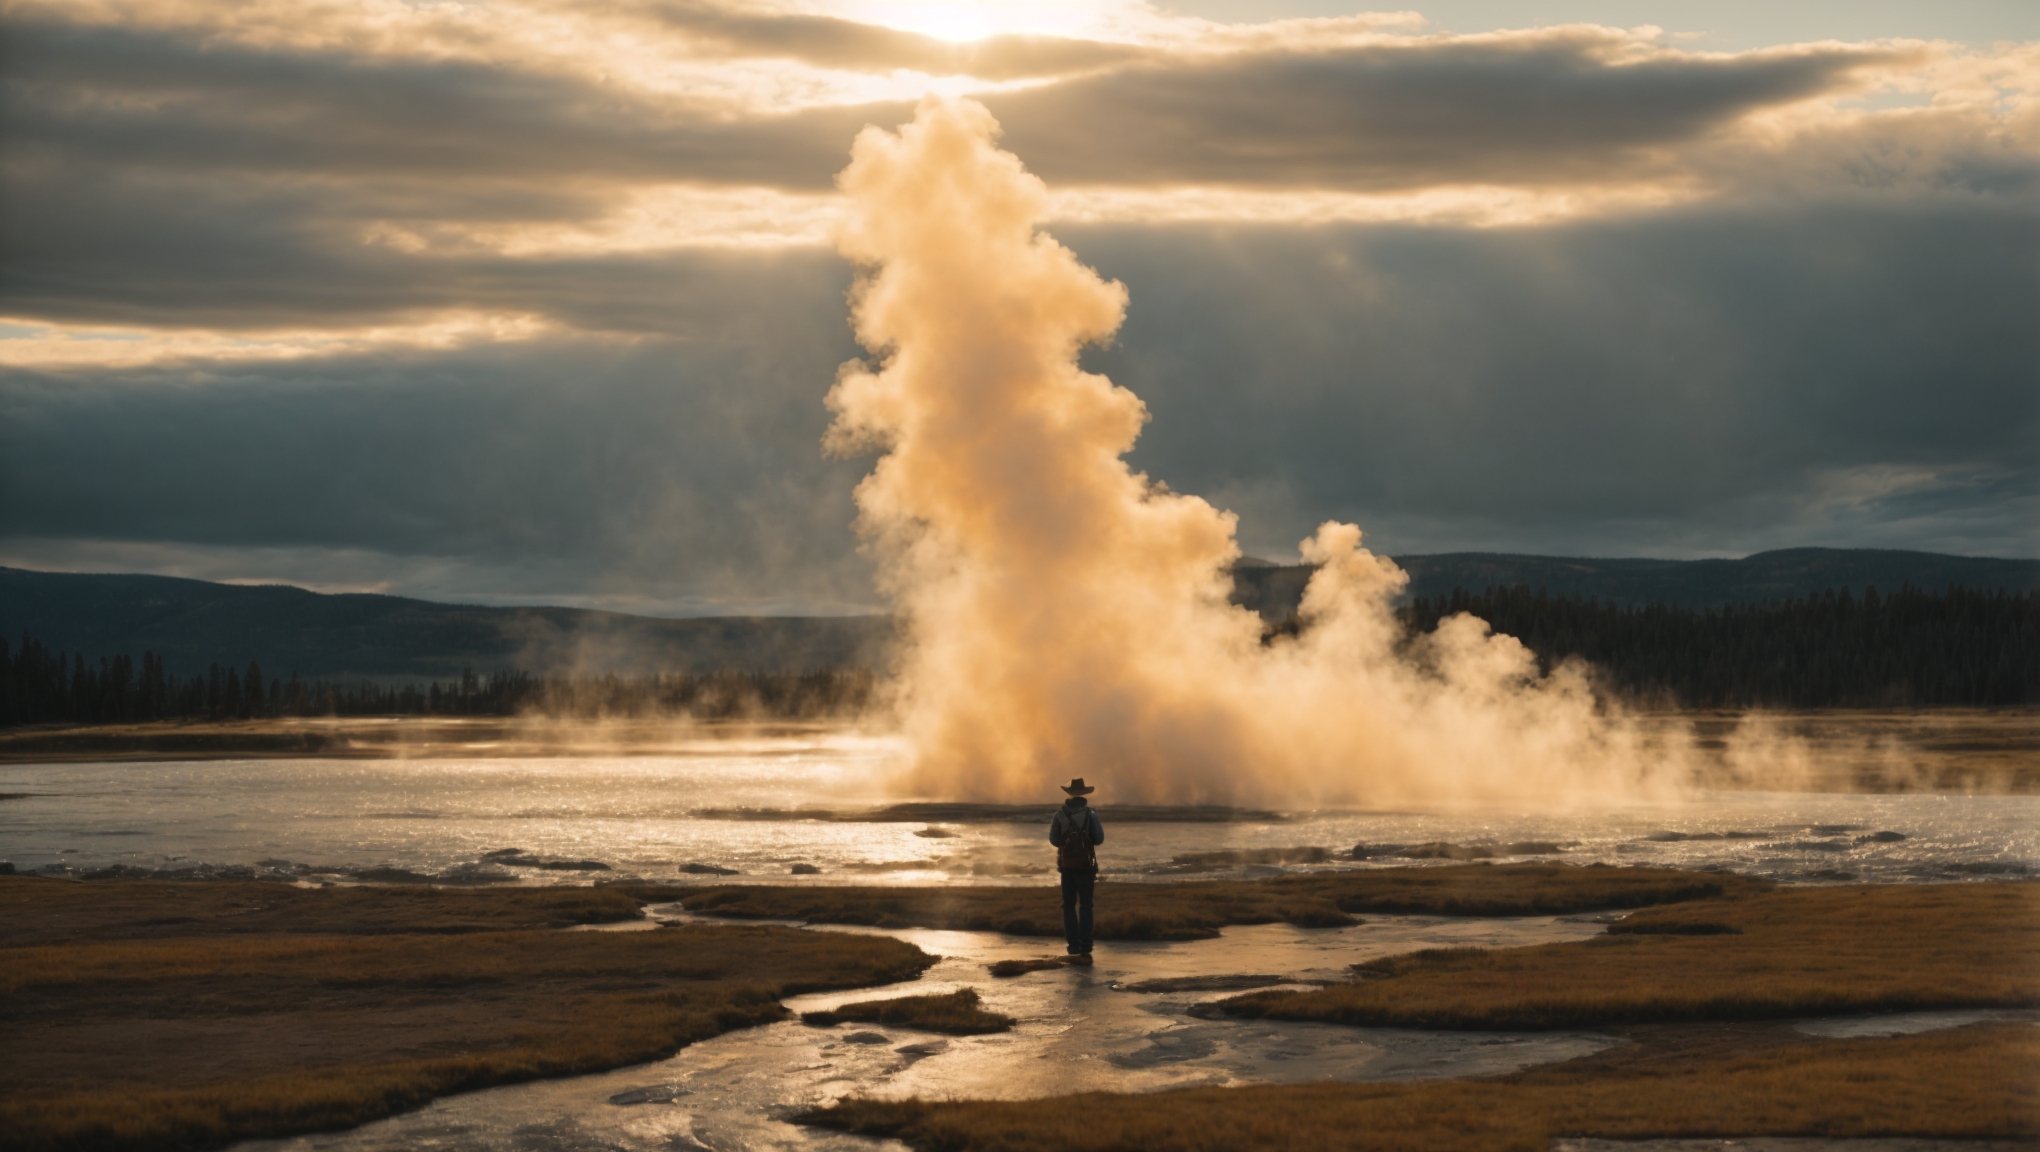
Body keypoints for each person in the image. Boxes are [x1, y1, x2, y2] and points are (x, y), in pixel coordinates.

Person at [1048, 777, 1104, 963]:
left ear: (1069, 795)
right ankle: (1086, 946)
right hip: (1086, 867)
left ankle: (1073, 946)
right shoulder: (1091, 814)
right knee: (1086, 906)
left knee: (1068, 906)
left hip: (1067, 867)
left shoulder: (1059, 815)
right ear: (1084, 795)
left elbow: (1054, 841)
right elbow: (1099, 839)